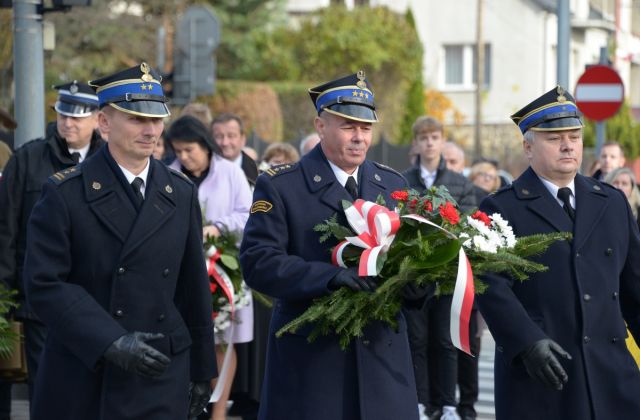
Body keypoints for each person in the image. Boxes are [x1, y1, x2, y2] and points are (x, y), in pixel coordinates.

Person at [22, 63, 217, 420]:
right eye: (136, 119)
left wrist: (203, 369)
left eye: (156, 120)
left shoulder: (179, 191)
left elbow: (192, 287)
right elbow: (44, 284)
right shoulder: (65, 193)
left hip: (159, 369)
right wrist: (110, 340)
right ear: (105, 123)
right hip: (87, 370)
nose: (150, 130)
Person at [240, 71, 419, 420]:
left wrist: (418, 280)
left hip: (383, 366)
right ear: (320, 126)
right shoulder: (281, 186)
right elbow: (258, 262)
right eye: (348, 126)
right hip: (314, 367)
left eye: (366, 128)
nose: (359, 137)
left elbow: (408, 261)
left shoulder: (392, 184)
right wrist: (330, 277)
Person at [477, 86, 640, 420]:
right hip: (545, 373)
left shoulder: (611, 202)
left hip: (610, 374)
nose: (568, 145)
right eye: (554, 138)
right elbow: (489, 284)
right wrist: (525, 341)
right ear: (528, 147)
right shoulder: (500, 206)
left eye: (574, 136)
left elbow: (635, 283)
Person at [0, 81, 104, 406]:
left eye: (77, 117)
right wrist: (5, 296)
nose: (67, 123)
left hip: (95, 298)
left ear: (97, 119)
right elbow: (6, 230)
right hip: (40, 299)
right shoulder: (27, 159)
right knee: (45, 389)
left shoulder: (110, 162)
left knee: (91, 388)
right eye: (62, 114)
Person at [165, 115, 253, 420]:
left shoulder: (230, 173)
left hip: (223, 271)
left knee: (221, 343)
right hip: (179, 274)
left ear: (204, 145)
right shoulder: (169, 174)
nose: (183, 157)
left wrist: (217, 228)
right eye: (177, 151)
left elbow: (248, 217)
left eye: (189, 149)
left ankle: (217, 411)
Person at [401, 116, 476, 420]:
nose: (430, 143)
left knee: (446, 341)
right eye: (424, 137)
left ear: (443, 141)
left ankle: (447, 404)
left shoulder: (460, 183)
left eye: (435, 137)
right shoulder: (404, 179)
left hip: (448, 274)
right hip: (415, 274)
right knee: (416, 340)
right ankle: (420, 402)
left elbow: (469, 223)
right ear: (416, 143)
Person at [211, 113, 259, 185]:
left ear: (243, 139)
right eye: (219, 136)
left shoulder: (260, 174)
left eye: (231, 136)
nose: (225, 143)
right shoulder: (199, 171)